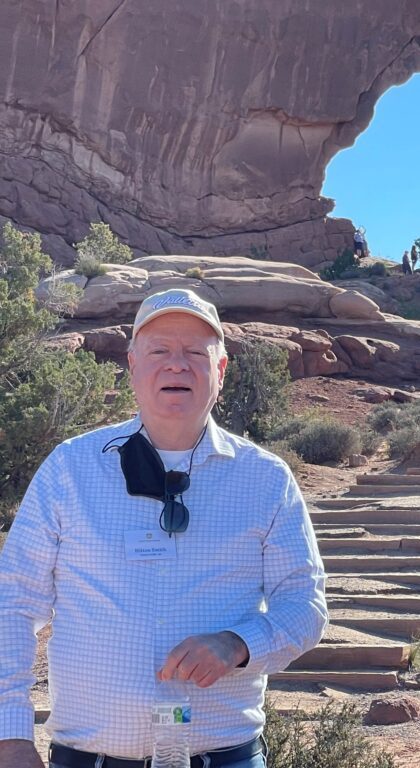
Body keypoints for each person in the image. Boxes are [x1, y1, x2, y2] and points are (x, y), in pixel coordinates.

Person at [0, 288, 328, 768]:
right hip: (88, 758)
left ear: (220, 371)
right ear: (132, 366)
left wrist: (237, 644)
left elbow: (306, 606)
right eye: (160, 351)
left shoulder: (265, 479)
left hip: (224, 757)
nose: (177, 364)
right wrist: (10, 737)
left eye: (196, 352)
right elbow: (14, 602)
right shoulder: (70, 469)